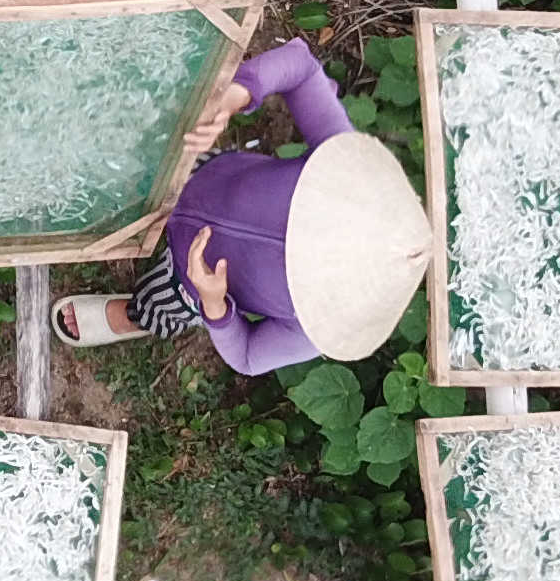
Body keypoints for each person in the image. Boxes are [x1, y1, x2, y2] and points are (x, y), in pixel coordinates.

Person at [51, 38, 427, 373]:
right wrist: (237, 95)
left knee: (160, 303)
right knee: (145, 158)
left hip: (191, 282)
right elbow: (301, 66)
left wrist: (216, 305)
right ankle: (99, 174)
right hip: (206, 175)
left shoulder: (317, 324)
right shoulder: (340, 164)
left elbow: (248, 356)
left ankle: (138, 316)